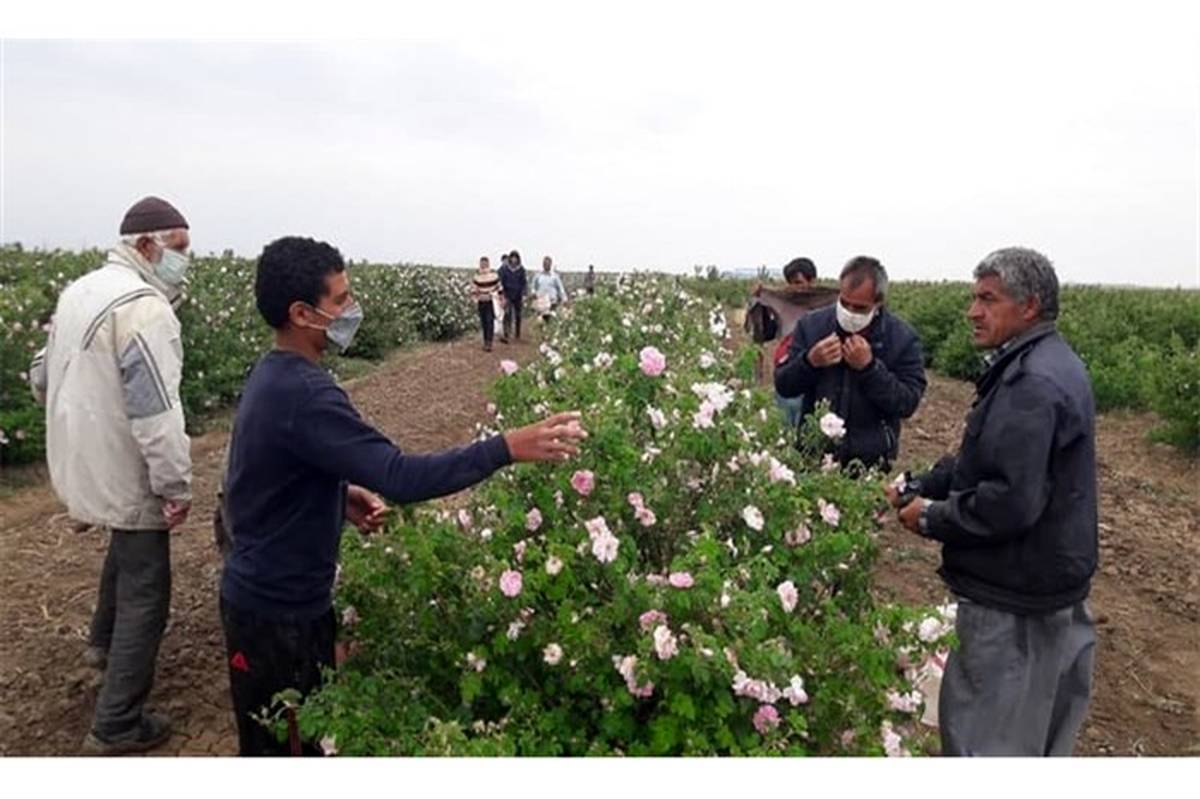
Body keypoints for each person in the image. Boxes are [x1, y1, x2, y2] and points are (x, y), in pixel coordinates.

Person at [219, 236, 588, 756]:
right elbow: (400, 476)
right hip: (276, 617)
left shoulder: (274, 373)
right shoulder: (305, 393)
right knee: (281, 752)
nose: (353, 309)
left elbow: (266, 474)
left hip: (279, 601)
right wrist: (507, 447)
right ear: (302, 313)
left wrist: (338, 494)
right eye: (341, 300)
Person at [888, 247, 1098, 756]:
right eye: (972, 297)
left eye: (987, 299)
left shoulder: (1030, 382)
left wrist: (931, 517)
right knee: (1036, 739)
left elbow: (1009, 502)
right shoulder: (1048, 363)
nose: (972, 310)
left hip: (1013, 601)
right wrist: (924, 484)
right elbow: (986, 461)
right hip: (1049, 587)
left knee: (988, 742)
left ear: (1028, 306)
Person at [28, 196, 194, 755]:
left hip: (80, 456)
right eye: (179, 250)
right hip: (125, 464)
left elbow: (39, 375)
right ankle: (117, 722)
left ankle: (100, 645)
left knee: (123, 548)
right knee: (148, 589)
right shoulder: (144, 307)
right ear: (146, 246)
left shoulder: (80, 290)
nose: (184, 262)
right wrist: (175, 485)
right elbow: (155, 412)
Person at [774, 255, 926, 469]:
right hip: (813, 456)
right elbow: (784, 385)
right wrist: (810, 361)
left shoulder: (901, 338)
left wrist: (869, 369)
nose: (850, 313)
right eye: (845, 304)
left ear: (878, 303)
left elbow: (907, 403)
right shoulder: (812, 326)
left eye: (860, 308)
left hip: (869, 464)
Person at [770, 257, 818, 430]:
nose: (794, 288)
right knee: (784, 426)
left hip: (808, 372)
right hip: (785, 369)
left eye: (798, 282)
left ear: (812, 281)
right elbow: (767, 331)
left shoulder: (824, 307)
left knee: (804, 428)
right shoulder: (786, 304)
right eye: (790, 283)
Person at [471, 255, 502, 351]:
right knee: (484, 322)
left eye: (485, 263)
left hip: (491, 301)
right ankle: (485, 341)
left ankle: (489, 342)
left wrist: (500, 299)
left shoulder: (494, 276)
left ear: (488, 264)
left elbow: (499, 288)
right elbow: (473, 290)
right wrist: (475, 299)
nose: (483, 265)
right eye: (482, 263)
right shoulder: (477, 277)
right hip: (481, 301)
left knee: (490, 321)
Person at [498, 249, 527, 343]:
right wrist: (502, 294)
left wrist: (524, 294)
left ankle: (517, 333)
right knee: (507, 314)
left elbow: (524, 283)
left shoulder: (521, 270)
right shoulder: (505, 269)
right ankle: (507, 333)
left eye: (516, 258)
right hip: (508, 294)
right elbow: (501, 281)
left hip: (518, 295)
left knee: (518, 315)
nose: (514, 260)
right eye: (512, 258)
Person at [531, 255, 568, 322]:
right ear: (543, 264)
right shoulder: (538, 276)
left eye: (548, 264)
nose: (546, 265)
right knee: (540, 322)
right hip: (541, 303)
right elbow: (533, 287)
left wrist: (564, 299)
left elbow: (560, 289)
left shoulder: (555, 277)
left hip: (552, 303)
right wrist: (533, 293)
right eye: (545, 264)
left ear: (550, 264)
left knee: (551, 321)